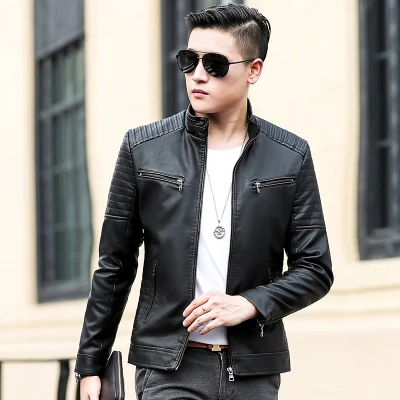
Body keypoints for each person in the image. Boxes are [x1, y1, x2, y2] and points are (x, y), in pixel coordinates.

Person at [75, 3, 333, 399]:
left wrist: (251, 303)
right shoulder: (143, 149)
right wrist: (90, 364)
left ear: (254, 70)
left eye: (215, 64)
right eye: (189, 60)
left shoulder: (290, 156)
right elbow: (115, 265)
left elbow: (315, 268)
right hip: (169, 369)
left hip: (253, 373)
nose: (197, 74)